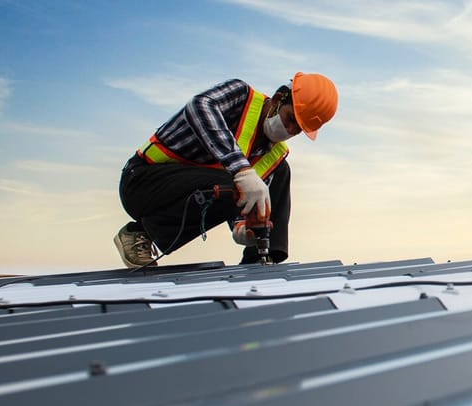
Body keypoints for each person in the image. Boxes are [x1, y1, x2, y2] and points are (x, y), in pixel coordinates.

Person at [114, 72, 337, 268]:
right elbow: (199, 106)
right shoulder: (241, 96)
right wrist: (242, 170)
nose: (289, 130)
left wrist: (244, 228)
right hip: (142, 183)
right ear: (279, 99)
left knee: (280, 171)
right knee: (235, 180)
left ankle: (261, 257)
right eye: (290, 119)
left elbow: (240, 197)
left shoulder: (272, 154)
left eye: (297, 130)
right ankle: (139, 232)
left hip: (196, 190)